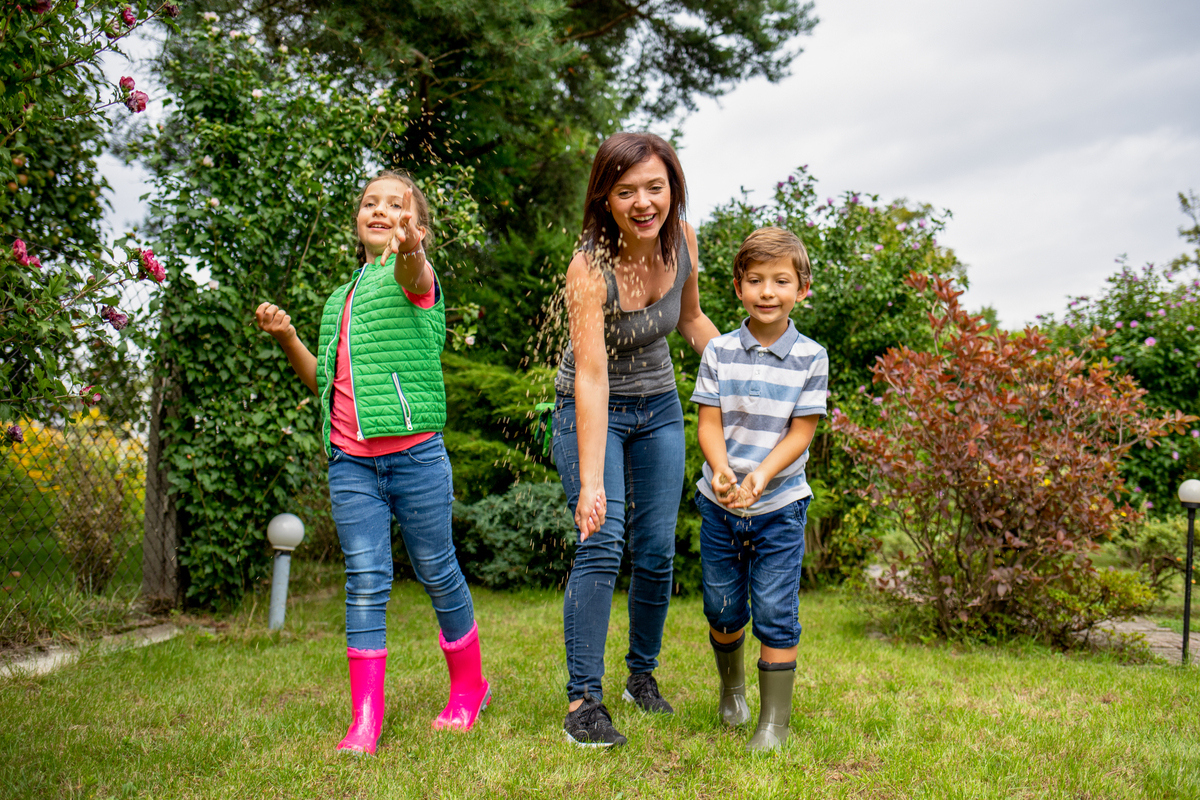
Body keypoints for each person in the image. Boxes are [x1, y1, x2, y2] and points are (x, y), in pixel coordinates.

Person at [255, 170, 490, 755]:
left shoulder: (417, 278)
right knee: (364, 581)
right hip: (351, 464)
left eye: (396, 205)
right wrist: (287, 336)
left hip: (414, 455)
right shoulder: (340, 298)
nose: (380, 210)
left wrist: (410, 248)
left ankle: (469, 688)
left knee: (436, 569)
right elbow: (322, 382)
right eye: (370, 203)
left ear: (418, 226)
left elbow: (414, 268)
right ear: (357, 219)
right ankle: (365, 720)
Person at [553, 132, 720, 747]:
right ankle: (583, 703)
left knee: (654, 550)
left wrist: (739, 367)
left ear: (672, 186)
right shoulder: (589, 268)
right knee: (602, 540)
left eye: (655, 186)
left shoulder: (683, 241)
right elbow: (592, 375)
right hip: (590, 410)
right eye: (627, 191)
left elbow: (693, 318)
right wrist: (593, 480)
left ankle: (640, 678)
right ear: (606, 197)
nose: (644, 201)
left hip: (660, 408)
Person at [690, 227, 827, 752]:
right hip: (721, 504)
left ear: (802, 288)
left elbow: (802, 432)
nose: (767, 291)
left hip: (779, 506)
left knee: (773, 610)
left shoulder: (811, 358)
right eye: (756, 280)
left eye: (780, 281)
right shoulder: (719, 352)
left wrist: (761, 477)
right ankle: (733, 690)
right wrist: (722, 471)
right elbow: (707, 423)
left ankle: (773, 722)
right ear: (738, 287)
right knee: (723, 609)